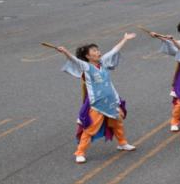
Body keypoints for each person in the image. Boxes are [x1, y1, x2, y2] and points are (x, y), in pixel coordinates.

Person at [48, 32, 137, 164]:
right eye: (94, 51)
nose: (98, 52)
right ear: (88, 56)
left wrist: (124, 39)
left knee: (117, 122)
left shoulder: (104, 63)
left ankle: (122, 143)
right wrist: (65, 51)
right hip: (97, 103)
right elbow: (74, 60)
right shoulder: (86, 66)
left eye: (98, 50)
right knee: (90, 129)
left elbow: (114, 50)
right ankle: (80, 152)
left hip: (111, 100)